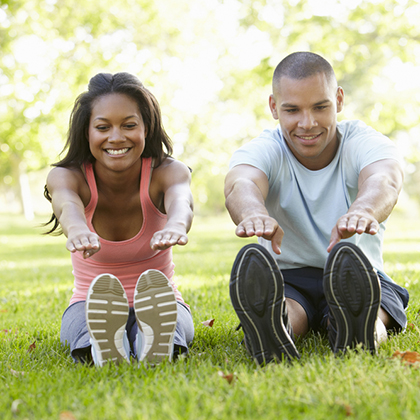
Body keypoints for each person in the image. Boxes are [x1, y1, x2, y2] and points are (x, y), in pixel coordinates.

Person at [224, 52, 409, 365]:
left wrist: (364, 209)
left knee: (372, 306)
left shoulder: (363, 141)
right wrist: (253, 212)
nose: (307, 123)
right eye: (292, 110)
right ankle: (274, 327)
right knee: (285, 306)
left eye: (320, 107)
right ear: (274, 107)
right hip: (288, 278)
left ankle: (361, 329)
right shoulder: (265, 149)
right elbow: (241, 184)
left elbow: (384, 180)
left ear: (338, 100)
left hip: (358, 274)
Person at [44, 72, 194, 366]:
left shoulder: (167, 171)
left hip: (160, 303)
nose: (116, 137)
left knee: (174, 324)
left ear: (146, 127)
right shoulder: (67, 176)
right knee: (84, 328)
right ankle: (107, 345)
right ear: (86, 132)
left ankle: (149, 340)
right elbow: (66, 203)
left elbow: (181, 200)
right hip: (89, 304)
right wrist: (76, 228)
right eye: (103, 127)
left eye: (129, 125)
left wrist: (176, 224)